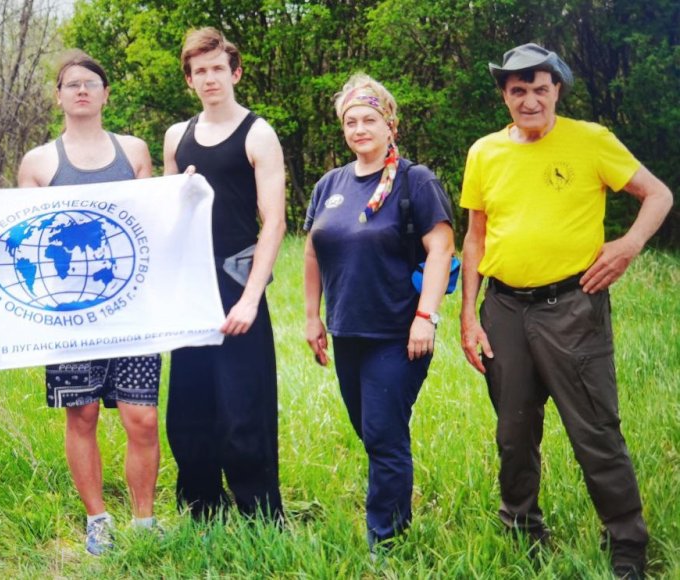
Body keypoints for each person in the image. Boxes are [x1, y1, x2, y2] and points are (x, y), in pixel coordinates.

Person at [459, 43, 673, 579]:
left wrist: (628, 246)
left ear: (557, 89)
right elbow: (475, 237)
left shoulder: (591, 140)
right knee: (514, 433)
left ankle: (626, 543)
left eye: (540, 88)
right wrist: (469, 315)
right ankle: (522, 530)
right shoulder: (484, 152)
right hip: (504, 309)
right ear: (504, 96)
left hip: (574, 308)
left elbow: (659, 195)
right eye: (518, 90)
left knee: (595, 429)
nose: (530, 100)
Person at [17, 50, 162, 556]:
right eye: (72, 84)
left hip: (134, 310)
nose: (82, 90)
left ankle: (144, 521)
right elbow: (24, 239)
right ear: (58, 96)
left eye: (91, 83)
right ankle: (97, 520)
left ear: (105, 95)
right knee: (81, 415)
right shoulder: (38, 162)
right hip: (69, 316)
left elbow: (155, 221)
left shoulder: (134, 151)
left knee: (142, 418)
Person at [303, 74, 454, 552]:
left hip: (398, 333)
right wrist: (312, 316)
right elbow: (312, 251)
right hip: (346, 330)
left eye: (369, 119)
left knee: (384, 435)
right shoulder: (330, 184)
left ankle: (385, 543)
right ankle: (392, 520)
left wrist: (426, 317)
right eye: (351, 122)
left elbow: (441, 247)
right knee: (370, 434)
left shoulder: (415, 180)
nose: (359, 129)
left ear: (390, 125)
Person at [162, 27, 285, 521]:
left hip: (237, 281)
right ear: (189, 80)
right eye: (200, 71)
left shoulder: (258, 133)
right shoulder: (177, 137)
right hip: (189, 287)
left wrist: (251, 298)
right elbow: (167, 217)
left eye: (217, 68)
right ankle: (202, 513)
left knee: (243, 408)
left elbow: (274, 221)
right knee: (188, 410)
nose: (209, 78)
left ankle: (261, 518)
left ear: (235, 73)